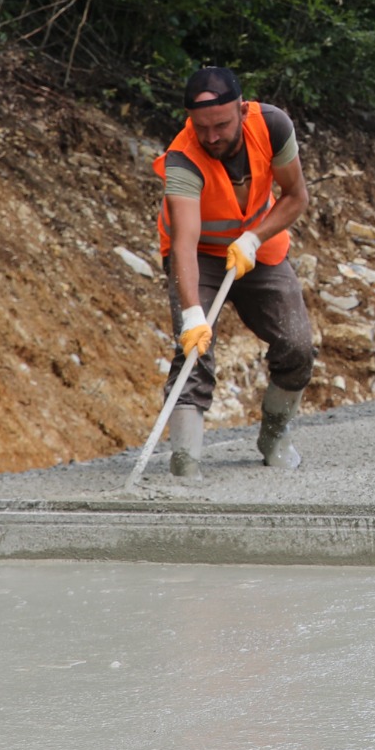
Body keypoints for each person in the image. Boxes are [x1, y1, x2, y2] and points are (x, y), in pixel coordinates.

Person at [152, 66, 314, 473]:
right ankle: (185, 461)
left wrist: (255, 238)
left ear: (242, 110)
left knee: (297, 346)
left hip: (259, 246)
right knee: (194, 351)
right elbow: (184, 243)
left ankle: (275, 433)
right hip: (200, 257)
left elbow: (295, 196)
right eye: (201, 127)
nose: (211, 137)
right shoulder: (182, 159)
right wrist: (192, 315)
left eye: (221, 125)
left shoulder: (273, 126)